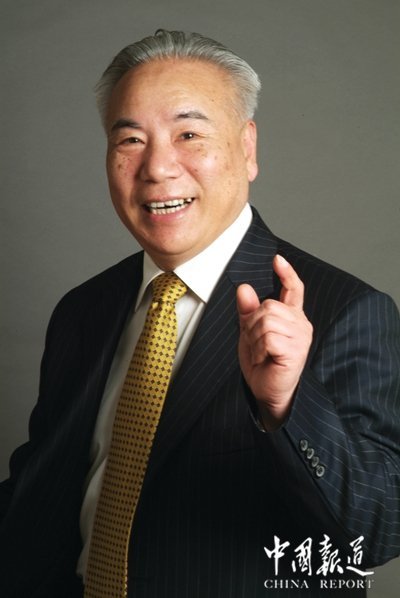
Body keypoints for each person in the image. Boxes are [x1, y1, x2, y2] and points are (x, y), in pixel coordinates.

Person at [0, 29, 399, 598]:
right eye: (131, 139)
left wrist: (286, 405)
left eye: (188, 134)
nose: (157, 168)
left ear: (247, 148)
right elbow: (39, 494)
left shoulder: (344, 310)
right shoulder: (83, 309)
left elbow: (377, 528)